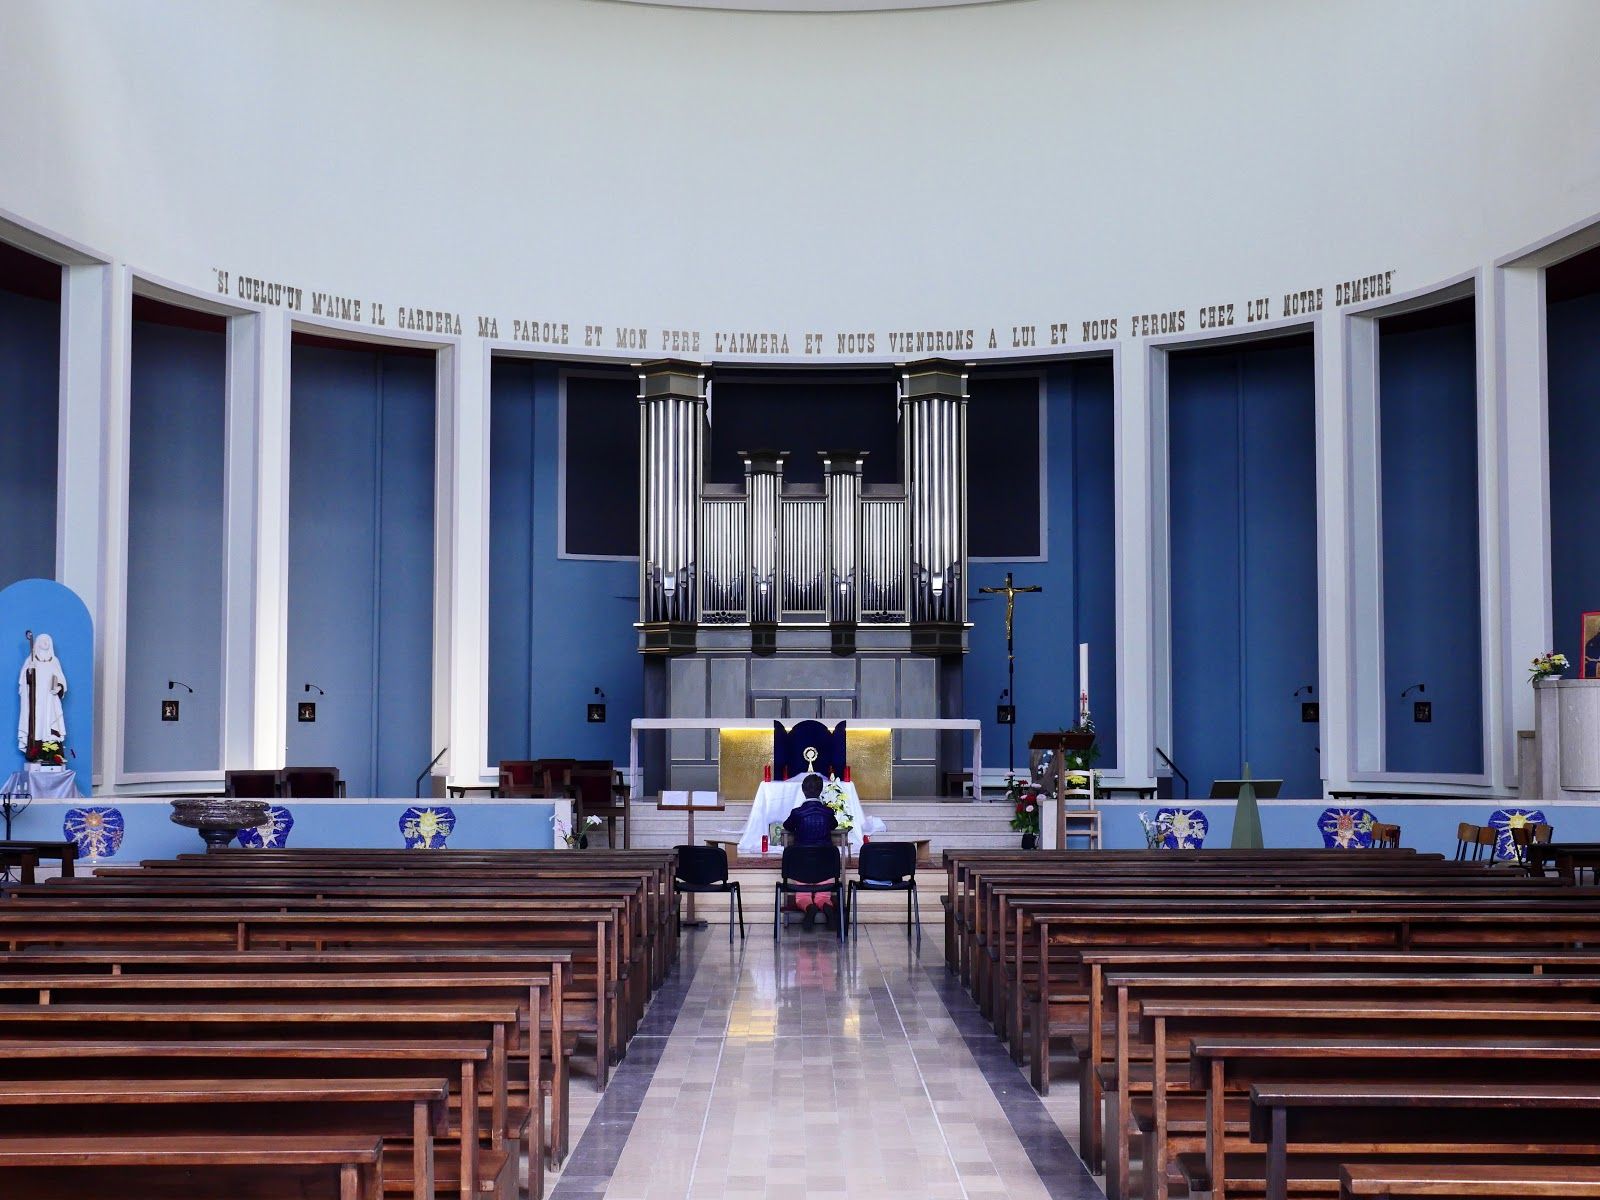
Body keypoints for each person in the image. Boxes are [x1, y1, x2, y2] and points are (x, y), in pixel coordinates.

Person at [783, 773, 840, 930]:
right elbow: (834, 825)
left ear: (803, 790)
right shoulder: (828, 812)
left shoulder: (797, 813)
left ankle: (809, 908)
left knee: (802, 895)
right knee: (824, 895)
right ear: (821, 790)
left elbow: (787, 826)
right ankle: (827, 908)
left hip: (802, 865)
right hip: (826, 864)